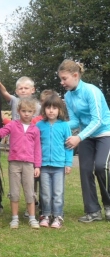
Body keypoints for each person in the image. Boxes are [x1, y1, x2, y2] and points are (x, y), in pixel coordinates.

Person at [58, 59, 110, 223]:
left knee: (101, 167)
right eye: (61, 79)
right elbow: (75, 121)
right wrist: (55, 125)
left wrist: (78, 137)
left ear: (75, 75)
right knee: (85, 170)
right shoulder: (68, 96)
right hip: (87, 136)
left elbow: (98, 120)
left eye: (64, 78)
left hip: (104, 133)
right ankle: (93, 211)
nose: (62, 82)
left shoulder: (91, 91)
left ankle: (108, 205)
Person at [0, 76, 41, 216]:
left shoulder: (38, 105)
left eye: (26, 88)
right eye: (20, 88)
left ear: (33, 90)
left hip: (31, 141)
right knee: (16, 183)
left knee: (32, 180)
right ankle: (17, 214)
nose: (23, 91)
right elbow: (5, 94)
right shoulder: (15, 101)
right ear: (16, 91)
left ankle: (33, 207)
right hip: (17, 144)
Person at [36, 91, 73, 228]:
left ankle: (57, 216)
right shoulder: (39, 126)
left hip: (59, 166)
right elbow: (36, 146)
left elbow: (69, 146)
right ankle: (46, 215)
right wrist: (37, 164)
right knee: (45, 193)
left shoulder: (64, 126)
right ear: (44, 109)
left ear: (59, 109)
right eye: (48, 107)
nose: (51, 111)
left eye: (54, 108)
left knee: (58, 193)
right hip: (44, 166)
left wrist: (68, 163)